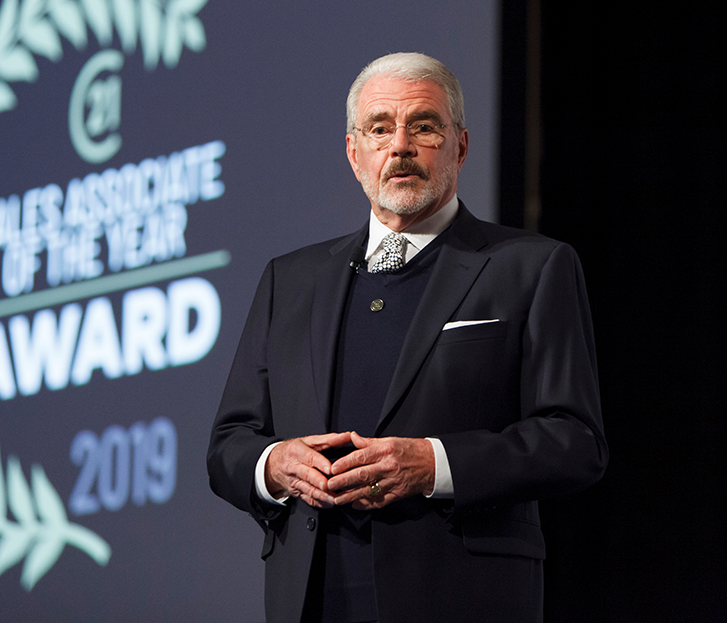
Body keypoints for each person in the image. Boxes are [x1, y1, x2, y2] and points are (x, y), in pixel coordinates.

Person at [207, 52, 608, 623]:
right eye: (379, 129)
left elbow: (575, 441)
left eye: (423, 126)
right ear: (354, 154)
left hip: (460, 596)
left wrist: (433, 463)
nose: (400, 146)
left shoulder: (531, 267)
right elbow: (229, 443)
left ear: (460, 148)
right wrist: (272, 466)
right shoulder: (289, 280)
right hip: (313, 596)